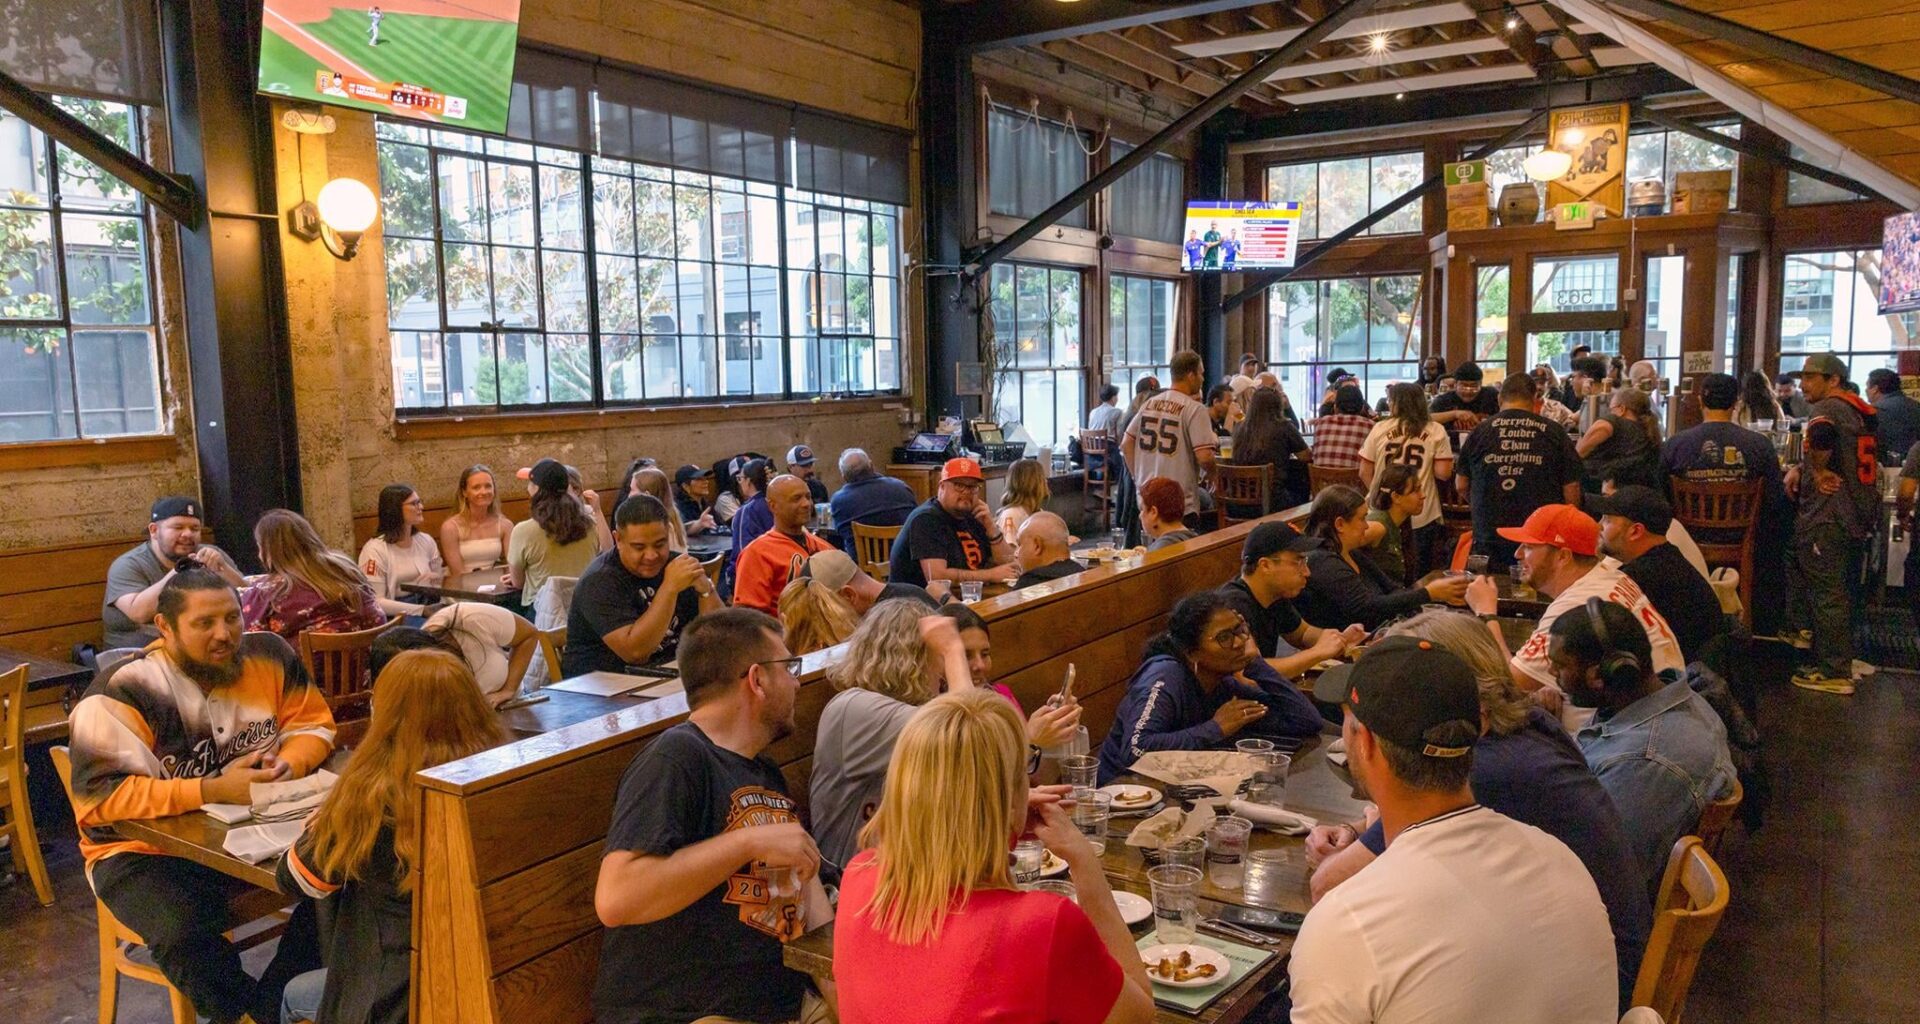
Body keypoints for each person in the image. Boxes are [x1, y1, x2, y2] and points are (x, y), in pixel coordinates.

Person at [1303, 611, 1650, 1013]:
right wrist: (1364, 825)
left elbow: (1330, 885)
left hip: (1568, 986)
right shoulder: (1530, 731)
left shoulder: (1486, 773)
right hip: (1581, 985)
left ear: (1365, 742)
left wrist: (1368, 829)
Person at [68, 568, 335, 1024]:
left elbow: (313, 724)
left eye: (233, 618)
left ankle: (276, 1003)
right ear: (165, 628)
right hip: (140, 851)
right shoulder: (122, 690)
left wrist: (289, 761)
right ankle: (240, 1014)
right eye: (204, 623)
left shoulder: (269, 655)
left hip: (259, 831)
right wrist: (211, 789)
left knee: (343, 869)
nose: (224, 635)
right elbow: (101, 799)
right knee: (182, 929)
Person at [832, 690, 1153, 1024]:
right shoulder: (1045, 924)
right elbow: (1140, 1015)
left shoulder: (860, 875)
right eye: (1024, 772)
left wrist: (1003, 821)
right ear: (1011, 793)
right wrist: (1082, 859)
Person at [592, 608, 833, 1024]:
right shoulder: (677, 758)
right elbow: (616, 899)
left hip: (783, 1003)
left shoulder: (764, 771)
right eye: (789, 667)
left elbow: (807, 902)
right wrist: (749, 842)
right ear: (757, 679)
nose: (797, 681)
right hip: (689, 1011)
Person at [275, 650, 503, 1024]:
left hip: (391, 994)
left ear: (383, 712)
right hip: (474, 971)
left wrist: (322, 822)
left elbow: (297, 878)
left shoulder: (371, 795)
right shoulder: (498, 769)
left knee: (293, 994)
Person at [1551, 601, 1738, 896]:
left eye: (1560, 665)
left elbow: (1597, 871)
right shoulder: (1671, 701)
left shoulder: (1644, 761)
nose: (1551, 672)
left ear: (1602, 675)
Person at [1096, 589, 1322, 782]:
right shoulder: (1164, 678)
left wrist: (1256, 664)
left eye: (1240, 630)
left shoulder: (1223, 682)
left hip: (1180, 785)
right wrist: (1215, 728)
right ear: (1192, 652)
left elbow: (1306, 721)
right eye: (1224, 637)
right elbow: (1135, 750)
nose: (1239, 643)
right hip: (1124, 794)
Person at [811, 602, 974, 868]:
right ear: (915, 659)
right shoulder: (853, 709)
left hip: (907, 878)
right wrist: (953, 650)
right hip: (855, 888)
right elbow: (969, 736)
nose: (943, 674)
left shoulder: (915, 712)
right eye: (939, 658)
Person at [1461, 504, 1685, 698]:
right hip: (1660, 709)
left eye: (1529, 546)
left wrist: (1486, 613)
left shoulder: (1576, 606)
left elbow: (1512, 684)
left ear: (1563, 556)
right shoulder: (1608, 573)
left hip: (1622, 733)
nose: (1518, 554)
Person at [1784, 353, 1881, 695]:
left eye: (1811, 377)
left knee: (1828, 593)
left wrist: (1820, 469)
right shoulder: (1859, 409)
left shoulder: (1827, 408)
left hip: (1829, 513)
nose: (1803, 383)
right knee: (1842, 589)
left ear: (1833, 380)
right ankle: (1835, 653)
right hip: (1857, 511)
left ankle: (1834, 670)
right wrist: (1805, 468)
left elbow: (1822, 435)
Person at [564, 494, 723, 676]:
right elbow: (635, 653)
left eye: (660, 544)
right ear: (618, 540)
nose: (651, 555)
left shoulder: (675, 566)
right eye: (639, 547)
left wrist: (706, 590)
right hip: (602, 691)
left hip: (667, 678)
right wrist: (669, 588)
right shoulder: (599, 581)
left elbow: (721, 637)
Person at [1455, 372, 1583, 570]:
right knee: (1537, 590)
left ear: (1499, 398)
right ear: (1534, 399)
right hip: (1539, 535)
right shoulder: (1554, 431)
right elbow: (1571, 488)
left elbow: (1461, 484)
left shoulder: (1480, 431)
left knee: (1487, 587)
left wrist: (1483, 507)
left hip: (1489, 533)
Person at [1296, 485, 1469, 631]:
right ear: (1340, 524)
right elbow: (1367, 607)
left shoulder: (1351, 553)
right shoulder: (1322, 560)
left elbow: (1392, 589)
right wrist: (1429, 593)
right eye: (1362, 518)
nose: (1366, 525)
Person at [1590, 485, 1726, 664]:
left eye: (1607, 520)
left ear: (1636, 531)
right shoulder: (1670, 561)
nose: (1599, 526)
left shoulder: (1638, 580)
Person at [1221, 521, 1365, 680]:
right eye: (1299, 562)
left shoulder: (1274, 594)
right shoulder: (1232, 607)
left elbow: (1302, 633)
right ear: (1266, 565)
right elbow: (1248, 673)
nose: (1307, 572)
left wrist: (1339, 640)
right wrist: (1318, 652)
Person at [104, 496, 245, 649]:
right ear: (154, 531)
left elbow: (248, 597)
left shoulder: (211, 554)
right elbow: (139, 613)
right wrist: (180, 570)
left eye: (195, 529)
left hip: (199, 647)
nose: (188, 534)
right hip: (137, 654)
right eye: (178, 528)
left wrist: (223, 568)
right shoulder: (129, 565)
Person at [936, 602, 1083, 748]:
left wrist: (1053, 723)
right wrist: (1030, 740)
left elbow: (1031, 769)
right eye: (965, 655)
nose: (980, 665)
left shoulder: (1002, 697)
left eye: (985, 654)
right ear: (936, 659)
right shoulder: (932, 719)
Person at [241, 509, 385, 642]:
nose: (259, 555)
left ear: (269, 551)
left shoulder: (266, 593)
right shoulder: (346, 568)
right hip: (366, 666)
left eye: (260, 547)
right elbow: (377, 619)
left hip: (303, 670)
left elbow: (251, 641)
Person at [1359, 383, 1454, 574]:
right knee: (1419, 568)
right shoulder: (1435, 430)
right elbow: (1443, 473)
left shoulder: (1379, 428)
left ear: (1396, 404)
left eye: (1390, 400)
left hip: (1382, 508)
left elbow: (1364, 472)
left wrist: (1382, 491)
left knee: (1383, 566)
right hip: (1422, 510)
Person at [371, 600, 540, 706]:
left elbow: (529, 635)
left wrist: (508, 690)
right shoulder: (408, 687)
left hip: (511, 709)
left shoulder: (469, 618)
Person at [888, 457, 1018, 589]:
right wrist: (990, 575)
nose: (967, 492)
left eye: (972, 487)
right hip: (916, 604)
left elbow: (1009, 563)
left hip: (965, 597)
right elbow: (937, 578)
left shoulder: (974, 515)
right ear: (942, 487)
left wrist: (991, 527)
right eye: (959, 485)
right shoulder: (926, 519)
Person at [1122, 350, 1218, 517]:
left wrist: (1137, 478)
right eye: (1201, 374)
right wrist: (1214, 475)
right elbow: (1204, 456)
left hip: (1148, 498)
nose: (1203, 379)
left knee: (1154, 543)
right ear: (1191, 375)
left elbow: (1126, 443)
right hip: (1179, 500)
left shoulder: (1149, 403)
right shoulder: (1195, 409)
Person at [507, 458, 604, 610]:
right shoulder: (590, 524)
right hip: (585, 610)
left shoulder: (523, 531)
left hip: (542, 614)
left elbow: (517, 583)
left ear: (536, 489)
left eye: (530, 483)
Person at [734, 475, 836, 616]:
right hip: (785, 634)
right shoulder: (757, 554)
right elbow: (749, 619)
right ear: (772, 506)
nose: (806, 504)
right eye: (796, 498)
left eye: (808, 497)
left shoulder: (823, 547)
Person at [359, 483, 445, 617]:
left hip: (430, 602)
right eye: (414, 504)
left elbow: (441, 583)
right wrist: (421, 610)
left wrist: (437, 578)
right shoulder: (374, 549)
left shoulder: (426, 540)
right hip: (397, 613)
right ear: (395, 509)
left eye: (420, 502)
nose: (421, 507)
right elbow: (376, 601)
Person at [1229, 385, 1309, 514]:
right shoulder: (1284, 426)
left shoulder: (1240, 428)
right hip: (1272, 502)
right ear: (1278, 406)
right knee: (1301, 481)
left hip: (1237, 502)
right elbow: (1306, 456)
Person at [829, 448, 919, 558]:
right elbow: (916, 521)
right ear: (871, 466)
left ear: (844, 477)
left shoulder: (839, 501)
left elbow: (840, 533)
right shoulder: (901, 488)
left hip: (862, 570)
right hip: (903, 564)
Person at [1576, 386, 1662, 492]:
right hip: (1645, 495)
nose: (1609, 412)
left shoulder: (1611, 422)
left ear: (1622, 409)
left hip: (1607, 495)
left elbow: (1578, 454)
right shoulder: (1651, 432)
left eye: (1611, 409)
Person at [438, 465, 514, 578]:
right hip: (462, 588)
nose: (483, 492)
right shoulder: (450, 527)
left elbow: (512, 565)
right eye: (476, 487)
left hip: (494, 586)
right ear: (464, 492)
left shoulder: (505, 525)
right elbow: (457, 573)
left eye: (488, 486)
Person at [1362, 463, 1423, 585]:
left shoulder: (1402, 525)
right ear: (1396, 497)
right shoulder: (1378, 526)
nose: (1423, 495)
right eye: (1416, 491)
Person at [1309, 383, 1374, 471]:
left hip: (1322, 484)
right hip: (1356, 484)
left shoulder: (1320, 424)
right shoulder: (1370, 426)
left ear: (1335, 407)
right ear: (1362, 408)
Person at [1011, 512, 1083, 589]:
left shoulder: (1029, 584)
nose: (1016, 554)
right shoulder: (1081, 573)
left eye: (1020, 545)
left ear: (1037, 546)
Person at [627, 466, 691, 551]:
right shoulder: (671, 517)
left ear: (646, 495)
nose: (629, 495)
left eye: (632, 490)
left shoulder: (660, 526)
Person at [1868, 368, 1920, 466]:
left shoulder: (1875, 411)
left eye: (1867, 386)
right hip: (1914, 468)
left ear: (1875, 389)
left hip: (1886, 466)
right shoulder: (1917, 406)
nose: (1866, 390)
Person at [1428, 360, 1499, 430]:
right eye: (1463, 386)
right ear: (1455, 385)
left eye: (1474, 386)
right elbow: (1426, 419)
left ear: (1481, 384)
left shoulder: (1491, 396)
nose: (1468, 392)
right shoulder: (1444, 400)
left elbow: (1507, 414)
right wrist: (1454, 414)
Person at [730, 457, 775, 563]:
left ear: (748, 481)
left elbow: (742, 552)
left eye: (740, 478)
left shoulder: (746, 511)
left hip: (756, 569)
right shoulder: (777, 502)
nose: (740, 483)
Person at [995, 457, 1050, 541]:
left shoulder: (1038, 513)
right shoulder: (1011, 515)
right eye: (1042, 478)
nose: (1046, 481)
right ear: (1032, 484)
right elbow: (1009, 552)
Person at [1139, 475, 1198, 551]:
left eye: (1142, 509)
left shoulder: (1159, 552)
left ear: (1154, 513)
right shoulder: (1195, 540)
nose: (1140, 516)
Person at [672, 463, 721, 537]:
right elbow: (682, 529)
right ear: (685, 486)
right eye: (699, 479)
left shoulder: (705, 503)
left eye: (705, 478)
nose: (706, 482)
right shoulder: (677, 506)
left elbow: (720, 524)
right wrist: (699, 524)